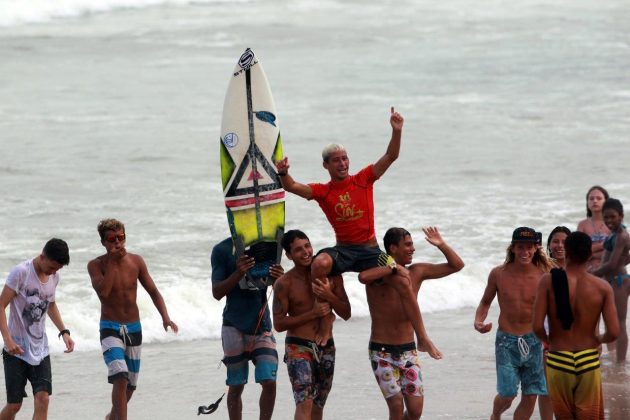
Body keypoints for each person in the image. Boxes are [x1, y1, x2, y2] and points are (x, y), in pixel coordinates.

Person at [275, 107, 438, 356]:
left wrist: (397, 131)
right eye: (336, 160)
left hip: (371, 251)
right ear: (326, 165)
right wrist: (284, 173)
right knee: (319, 263)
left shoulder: (363, 179)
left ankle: (423, 338)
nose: (342, 163)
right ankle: (326, 322)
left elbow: (390, 156)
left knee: (404, 279)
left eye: (345, 158)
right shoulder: (324, 191)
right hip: (344, 250)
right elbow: (293, 187)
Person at [358, 227, 463, 420]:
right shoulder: (379, 275)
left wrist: (441, 245)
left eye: (412, 244)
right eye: (408, 245)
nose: (412, 249)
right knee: (396, 406)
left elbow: (457, 265)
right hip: (381, 351)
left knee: (415, 412)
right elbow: (363, 277)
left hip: (408, 350)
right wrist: (391, 268)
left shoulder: (416, 271)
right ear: (393, 248)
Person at [88, 219, 178, 420]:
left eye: (121, 237)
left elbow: (154, 291)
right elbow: (104, 293)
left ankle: (112, 417)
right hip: (110, 327)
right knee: (120, 375)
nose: (117, 243)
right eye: (112, 239)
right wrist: (112, 261)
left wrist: (166, 317)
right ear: (103, 242)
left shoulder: (136, 261)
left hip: (134, 328)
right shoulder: (96, 265)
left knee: (130, 386)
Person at [533, 231, 619, 419]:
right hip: (588, 359)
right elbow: (613, 332)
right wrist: (598, 339)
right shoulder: (602, 287)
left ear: (568, 252)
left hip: (557, 359)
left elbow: (537, 326)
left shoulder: (547, 281)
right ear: (589, 255)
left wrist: (548, 342)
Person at [474, 227, 554, 420]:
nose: (524, 252)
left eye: (529, 247)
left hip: (534, 340)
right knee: (508, 393)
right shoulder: (498, 274)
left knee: (531, 393)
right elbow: (485, 302)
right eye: (520, 247)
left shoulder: (546, 274)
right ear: (512, 248)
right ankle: (495, 415)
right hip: (506, 342)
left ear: (536, 248)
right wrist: (479, 320)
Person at [272, 230, 350, 420]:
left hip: (326, 347)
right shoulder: (284, 283)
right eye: (298, 250)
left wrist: (329, 295)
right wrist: (312, 314)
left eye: (307, 246)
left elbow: (346, 313)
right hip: (298, 347)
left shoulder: (332, 276)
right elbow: (279, 323)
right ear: (289, 256)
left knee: (318, 404)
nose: (306, 252)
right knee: (304, 402)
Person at [211, 236, 284, 420]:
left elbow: (277, 290)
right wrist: (238, 272)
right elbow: (217, 292)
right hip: (233, 325)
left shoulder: (268, 247)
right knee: (236, 385)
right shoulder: (222, 249)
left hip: (262, 325)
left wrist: (279, 279)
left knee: (269, 381)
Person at [0, 238, 74, 420]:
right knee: (14, 405)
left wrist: (64, 331)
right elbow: (1, 305)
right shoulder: (21, 273)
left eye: (57, 269)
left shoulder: (54, 276)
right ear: (43, 256)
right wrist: (8, 340)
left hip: (40, 350)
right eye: (52, 268)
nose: (53, 272)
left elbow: (51, 304)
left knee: (43, 399)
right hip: (15, 349)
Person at [590, 198, 630, 363]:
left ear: (621, 216)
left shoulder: (622, 235)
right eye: (606, 217)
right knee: (611, 321)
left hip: (619, 281)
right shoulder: (615, 234)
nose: (608, 221)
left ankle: (620, 364)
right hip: (613, 281)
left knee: (620, 323)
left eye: (612, 217)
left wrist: (592, 274)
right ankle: (615, 357)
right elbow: (622, 258)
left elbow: (612, 264)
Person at [576, 186, 610, 270]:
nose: (595, 201)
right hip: (588, 272)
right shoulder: (582, 225)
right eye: (591, 199)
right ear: (587, 203)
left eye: (599, 198)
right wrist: (604, 246)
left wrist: (592, 254)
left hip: (609, 272)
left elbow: (617, 252)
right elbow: (579, 252)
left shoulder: (612, 224)